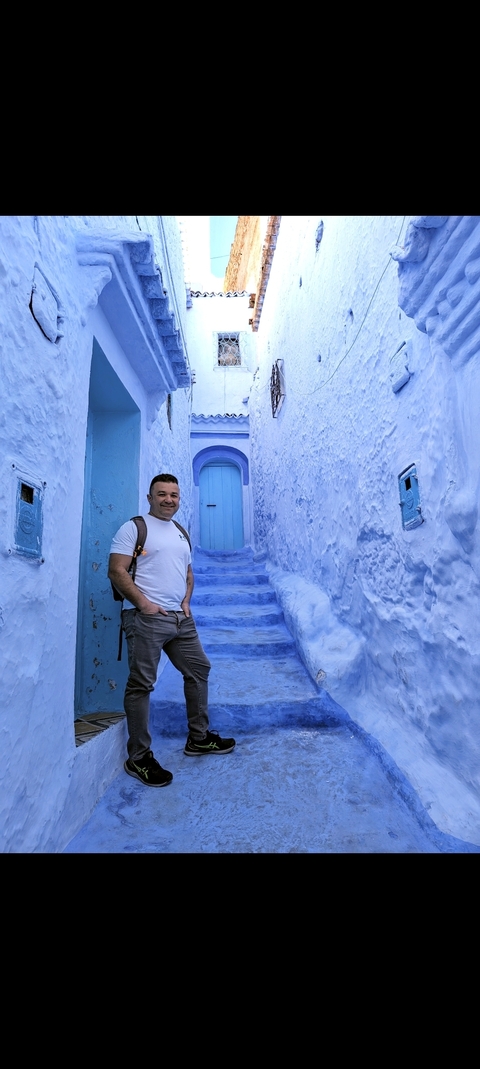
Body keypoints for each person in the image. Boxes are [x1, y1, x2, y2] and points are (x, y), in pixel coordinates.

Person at [108, 474, 235, 787]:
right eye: (161, 494)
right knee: (142, 684)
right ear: (150, 497)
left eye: (174, 495)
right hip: (147, 619)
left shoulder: (180, 532)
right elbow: (116, 570)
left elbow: (187, 571)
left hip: (181, 619)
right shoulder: (135, 528)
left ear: (180, 499)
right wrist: (144, 604)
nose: (168, 500)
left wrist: (187, 601)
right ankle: (138, 758)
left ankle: (199, 738)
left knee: (199, 670)